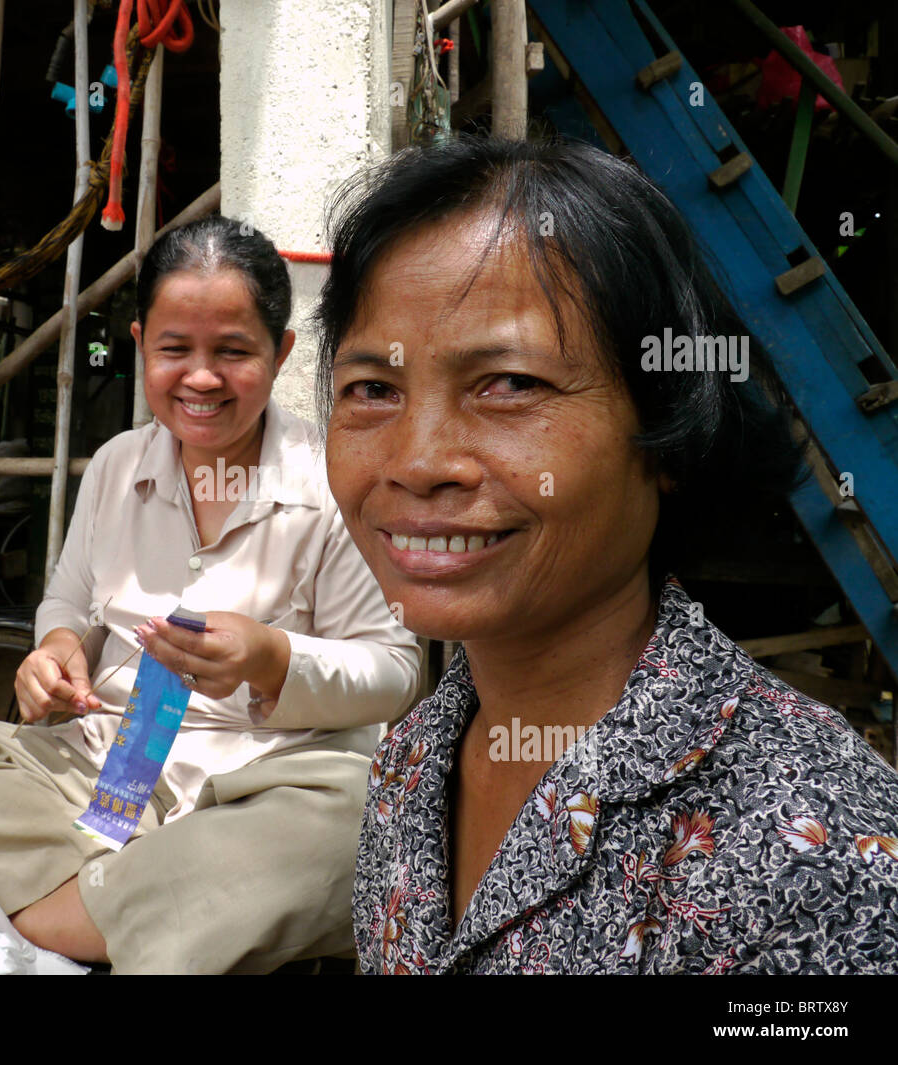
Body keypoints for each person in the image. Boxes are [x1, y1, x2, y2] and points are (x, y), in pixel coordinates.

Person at [316, 135, 898, 974]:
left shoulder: (817, 853)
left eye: (510, 384)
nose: (416, 460)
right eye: (372, 390)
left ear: (667, 429)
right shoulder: (413, 760)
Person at [0, 216, 421, 974]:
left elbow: (396, 669)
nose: (200, 378)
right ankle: (148, 916)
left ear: (281, 354)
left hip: (256, 790)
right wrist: (53, 650)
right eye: (175, 350)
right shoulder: (116, 465)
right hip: (105, 775)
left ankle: (51, 916)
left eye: (233, 352)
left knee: (350, 825)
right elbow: (69, 602)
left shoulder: (333, 479)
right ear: (142, 345)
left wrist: (275, 658)